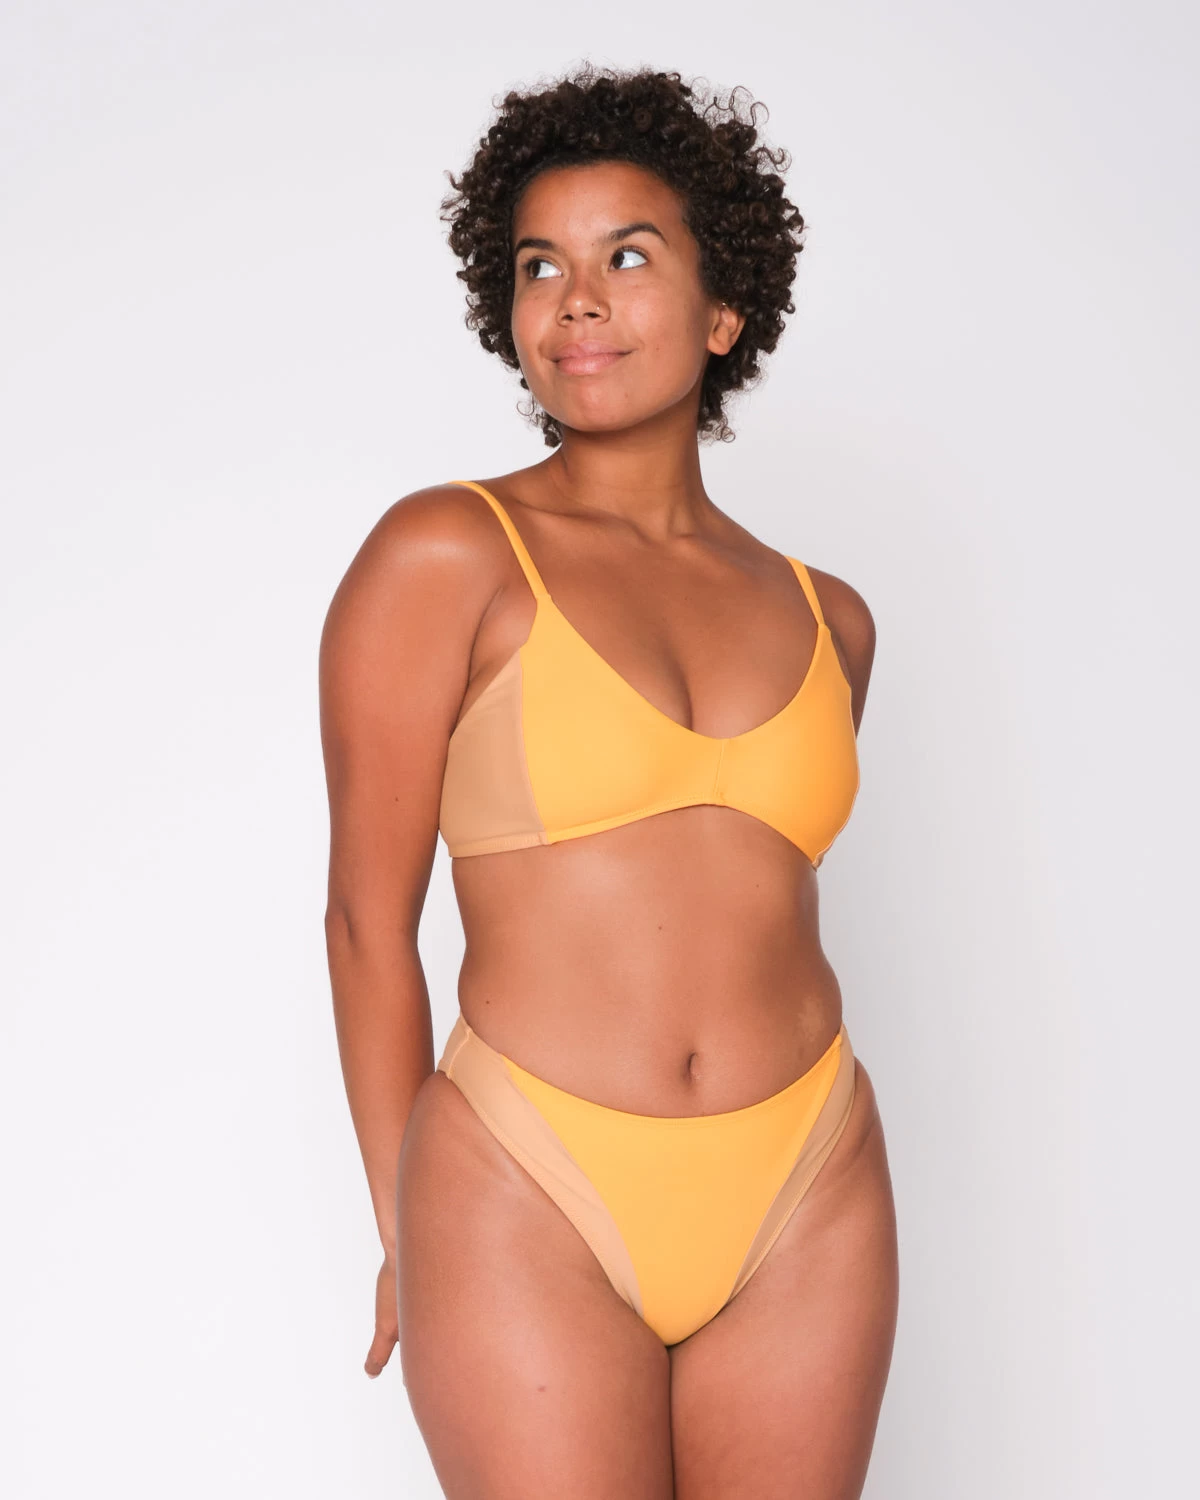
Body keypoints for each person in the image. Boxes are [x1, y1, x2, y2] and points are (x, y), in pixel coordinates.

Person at [320, 63, 899, 1499]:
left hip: (806, 1179)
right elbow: (366, 924)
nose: (575, 301)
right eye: (541, 267)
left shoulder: (832, 618)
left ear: (723, 308)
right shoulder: (444, 555)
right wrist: (404, 1223)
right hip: (528, 1179)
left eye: (626, 257)